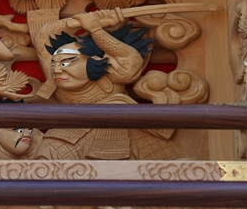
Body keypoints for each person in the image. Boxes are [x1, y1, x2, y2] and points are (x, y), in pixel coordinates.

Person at [32, 10, 158, 160]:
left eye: (66, 63)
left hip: (119, 127)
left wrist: (96, 29)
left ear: (95, 60)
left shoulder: (111, 73)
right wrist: (79, 22)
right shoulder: (58, 78)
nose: (56, 70)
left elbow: (129, 58)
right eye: (53, 63)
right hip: (72, 131)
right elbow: (44, 36)